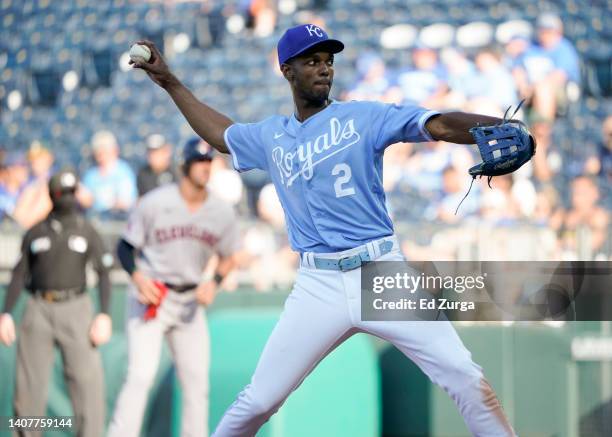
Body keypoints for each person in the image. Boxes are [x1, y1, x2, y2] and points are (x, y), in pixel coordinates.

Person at [130, 23, 522, 436]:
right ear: (287, 70)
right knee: (259, 400)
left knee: (462, 373)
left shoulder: (363, 116)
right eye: (311, 61)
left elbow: (437, 124)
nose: (324, 69)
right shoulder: (272, 136)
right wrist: (169, 81)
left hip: (380, 273)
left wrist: (493, 127)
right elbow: (220, 135)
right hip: (318, 283)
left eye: (328, 61)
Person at [107, 140, 240, 437]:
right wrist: (138, 278)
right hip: (153, 294)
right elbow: (125, 249)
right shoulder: (155, 202)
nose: (205, 167)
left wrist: (215, 283)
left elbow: (230, 257)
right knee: (140, 375)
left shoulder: (221, 212)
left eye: (208, 161)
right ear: (184, 166)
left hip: (191, 301)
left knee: (196, 382)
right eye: (198, 161)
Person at [0, 168, 113, 437]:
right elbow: (19, 273)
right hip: (38, 306)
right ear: (52, 195)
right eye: (63, 193)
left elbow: (104, 272)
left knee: (87, 384)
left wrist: (104, 314)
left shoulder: (87, 230)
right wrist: (6, 313)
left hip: (76, 306)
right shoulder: (36, 232)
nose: (68, 198)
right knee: (29, 387)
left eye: (72, 193)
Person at [78, 130, 137, 218]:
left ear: (115, 150)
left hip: (118, 220)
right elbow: (86, 201)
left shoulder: (124, 172)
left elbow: (126, 202)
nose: (101, 154)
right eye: (98, 150)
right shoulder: (90, 175)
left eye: (105, 149)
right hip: (96, 221)